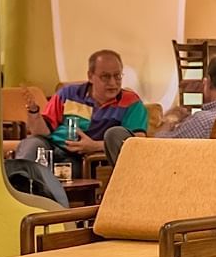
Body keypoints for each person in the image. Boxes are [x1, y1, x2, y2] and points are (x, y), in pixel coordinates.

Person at [15, 50, 149, 177]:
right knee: (32, 144)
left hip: (83, 158)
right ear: (90, 76)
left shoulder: (131, 102)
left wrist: (94, 146)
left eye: (117, 76)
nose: (113, 83)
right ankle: (19, 188)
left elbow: (137, 142)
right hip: (52, 145)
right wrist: (34, 111)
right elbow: (42, 132)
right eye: (105, 77)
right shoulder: (67, 93)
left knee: (64, 172)